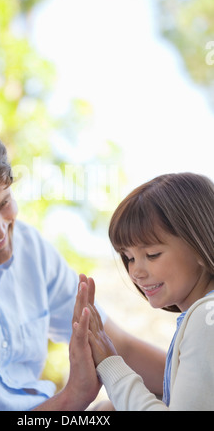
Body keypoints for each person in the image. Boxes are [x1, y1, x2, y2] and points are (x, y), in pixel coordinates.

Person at [0, 107, 165, 411]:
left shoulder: (30, 248)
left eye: (4, 203)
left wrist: (197, 376)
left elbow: (119, 348)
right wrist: (72, 398)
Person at [72, 172, 214, 411]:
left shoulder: (206, 319)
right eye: (128, 258)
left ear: (200, 245)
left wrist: (109, 363)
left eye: (152, 255)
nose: (136, 272)